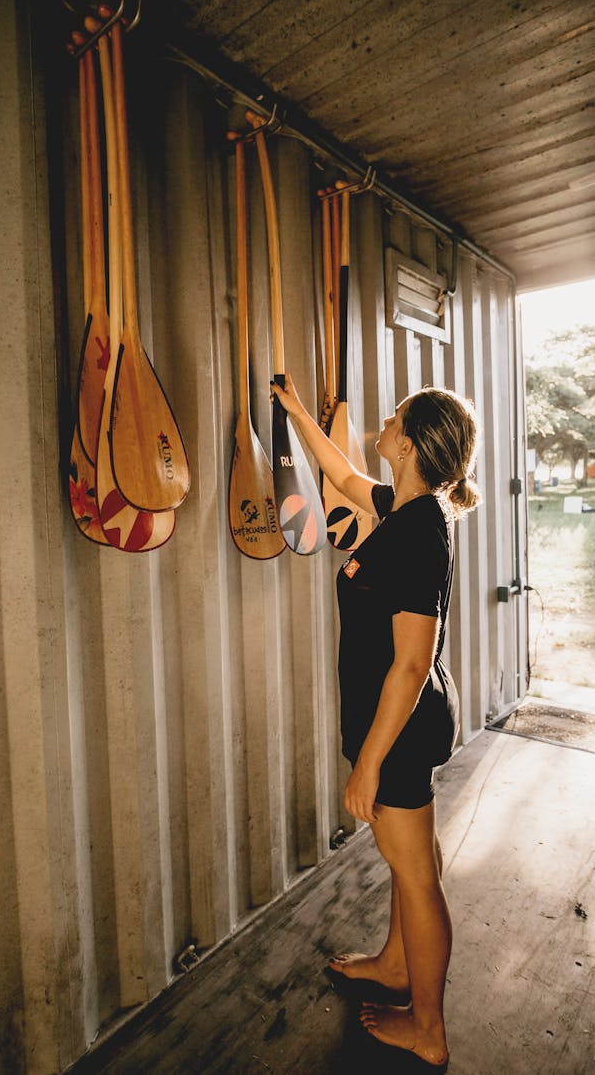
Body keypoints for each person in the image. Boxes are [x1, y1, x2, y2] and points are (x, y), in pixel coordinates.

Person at [270, 374, 481, 1069]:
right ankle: (395, 964)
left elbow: (412, 662)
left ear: (414, 442)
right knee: (405, 859)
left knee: (417, 873)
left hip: (397, 727)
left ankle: (428, 1029)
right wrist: (298, 409)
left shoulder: (419, 532)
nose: (380, 426)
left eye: (392, 420)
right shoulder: (412, 506)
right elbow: (346, 476)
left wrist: (367, 761)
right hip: (394, 724)